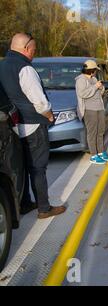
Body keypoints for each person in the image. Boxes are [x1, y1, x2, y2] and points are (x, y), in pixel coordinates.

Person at [0, 33, 66, 219]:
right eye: (34, 50)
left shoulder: (2, 65)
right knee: (37, 168)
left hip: (12, 126)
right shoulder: (25, 69)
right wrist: (50, 116)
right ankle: (44, 208)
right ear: (26, 48)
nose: (34, 54)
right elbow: (40, 102)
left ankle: (24, 203)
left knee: (19, 167)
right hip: (33, 125)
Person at [75, 60, 108, 165]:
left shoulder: (94, 79)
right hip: (89, 110)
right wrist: (95, 87)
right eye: (95, 70)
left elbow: (101, 92)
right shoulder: (80, 80)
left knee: (101, 131)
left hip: (99, 108)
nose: (95, 72)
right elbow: (83, 94)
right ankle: (94, 155)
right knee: (92, 133)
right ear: (92, 70)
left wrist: (101, 87)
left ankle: (101, 152)